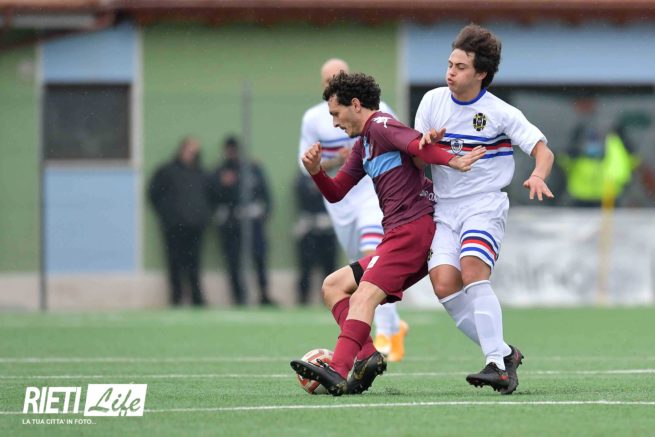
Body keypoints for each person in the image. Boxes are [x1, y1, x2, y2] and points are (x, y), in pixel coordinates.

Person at [290, 71, 485, 396]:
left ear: (355, 105)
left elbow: (418, 145)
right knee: (333, 286)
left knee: (363, 296)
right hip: (399, 235)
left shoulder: (381, 125)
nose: (335, 123)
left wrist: (454, 160)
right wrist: (317, 172)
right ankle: (366, 356)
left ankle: (338, 369)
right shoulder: (364, 144)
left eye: (336, 114)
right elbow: (337, 193)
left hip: (412, 231)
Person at [414, 23, 555, 394]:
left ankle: (496, 365)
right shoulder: (432, 102)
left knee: (473, 270)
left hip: (484, 204)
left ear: (481, 74)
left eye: (460, 67)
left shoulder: (500, 112)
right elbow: (416, 158)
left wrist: (538, 175)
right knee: (444, 285)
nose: (450, 72)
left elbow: (543, 151)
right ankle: (505, 354)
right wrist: (426, 146)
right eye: (450, 64)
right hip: (444, 209)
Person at [298, 58, 408, 362]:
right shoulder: (314, 118)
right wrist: (335, 161)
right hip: (340, 197)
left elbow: (402, 141)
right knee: (356, 269)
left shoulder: (378, 110)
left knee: (375, 257)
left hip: (372, 192)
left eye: (339, 77)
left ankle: (385, 334)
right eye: (328, 80)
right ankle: (384, 331)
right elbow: (306, 164)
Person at [209, 136, 276, 306]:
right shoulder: (220, 171)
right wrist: (223, 185)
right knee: (233, 261)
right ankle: (238, 297)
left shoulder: (253, 168)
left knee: (259, 258)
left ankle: (264, 294)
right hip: (231, 223)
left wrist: (265, 213)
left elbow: (265, 194)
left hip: (253, 222)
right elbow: (213, 197)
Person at [148, 136, 211, 307]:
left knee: (194, 264)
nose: (192, 154)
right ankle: (176, 298)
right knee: (174, 263)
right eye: (189, 150)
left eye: (195, 151)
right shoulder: (167, 171)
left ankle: (197, 298)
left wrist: (203, 216)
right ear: (181, 150)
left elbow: (211, 196)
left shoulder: (202, 173)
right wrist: (167, 215)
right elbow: (153, 194)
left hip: (196, 226)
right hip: (174, 226)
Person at [293, 172, 338, 305]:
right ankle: (303, 299)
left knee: (329, 269)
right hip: (309, 229)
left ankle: (331, 300)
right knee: (305, 268)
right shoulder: (302, 179)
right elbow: (304, 197)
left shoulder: (333, 175)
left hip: (328, 229)